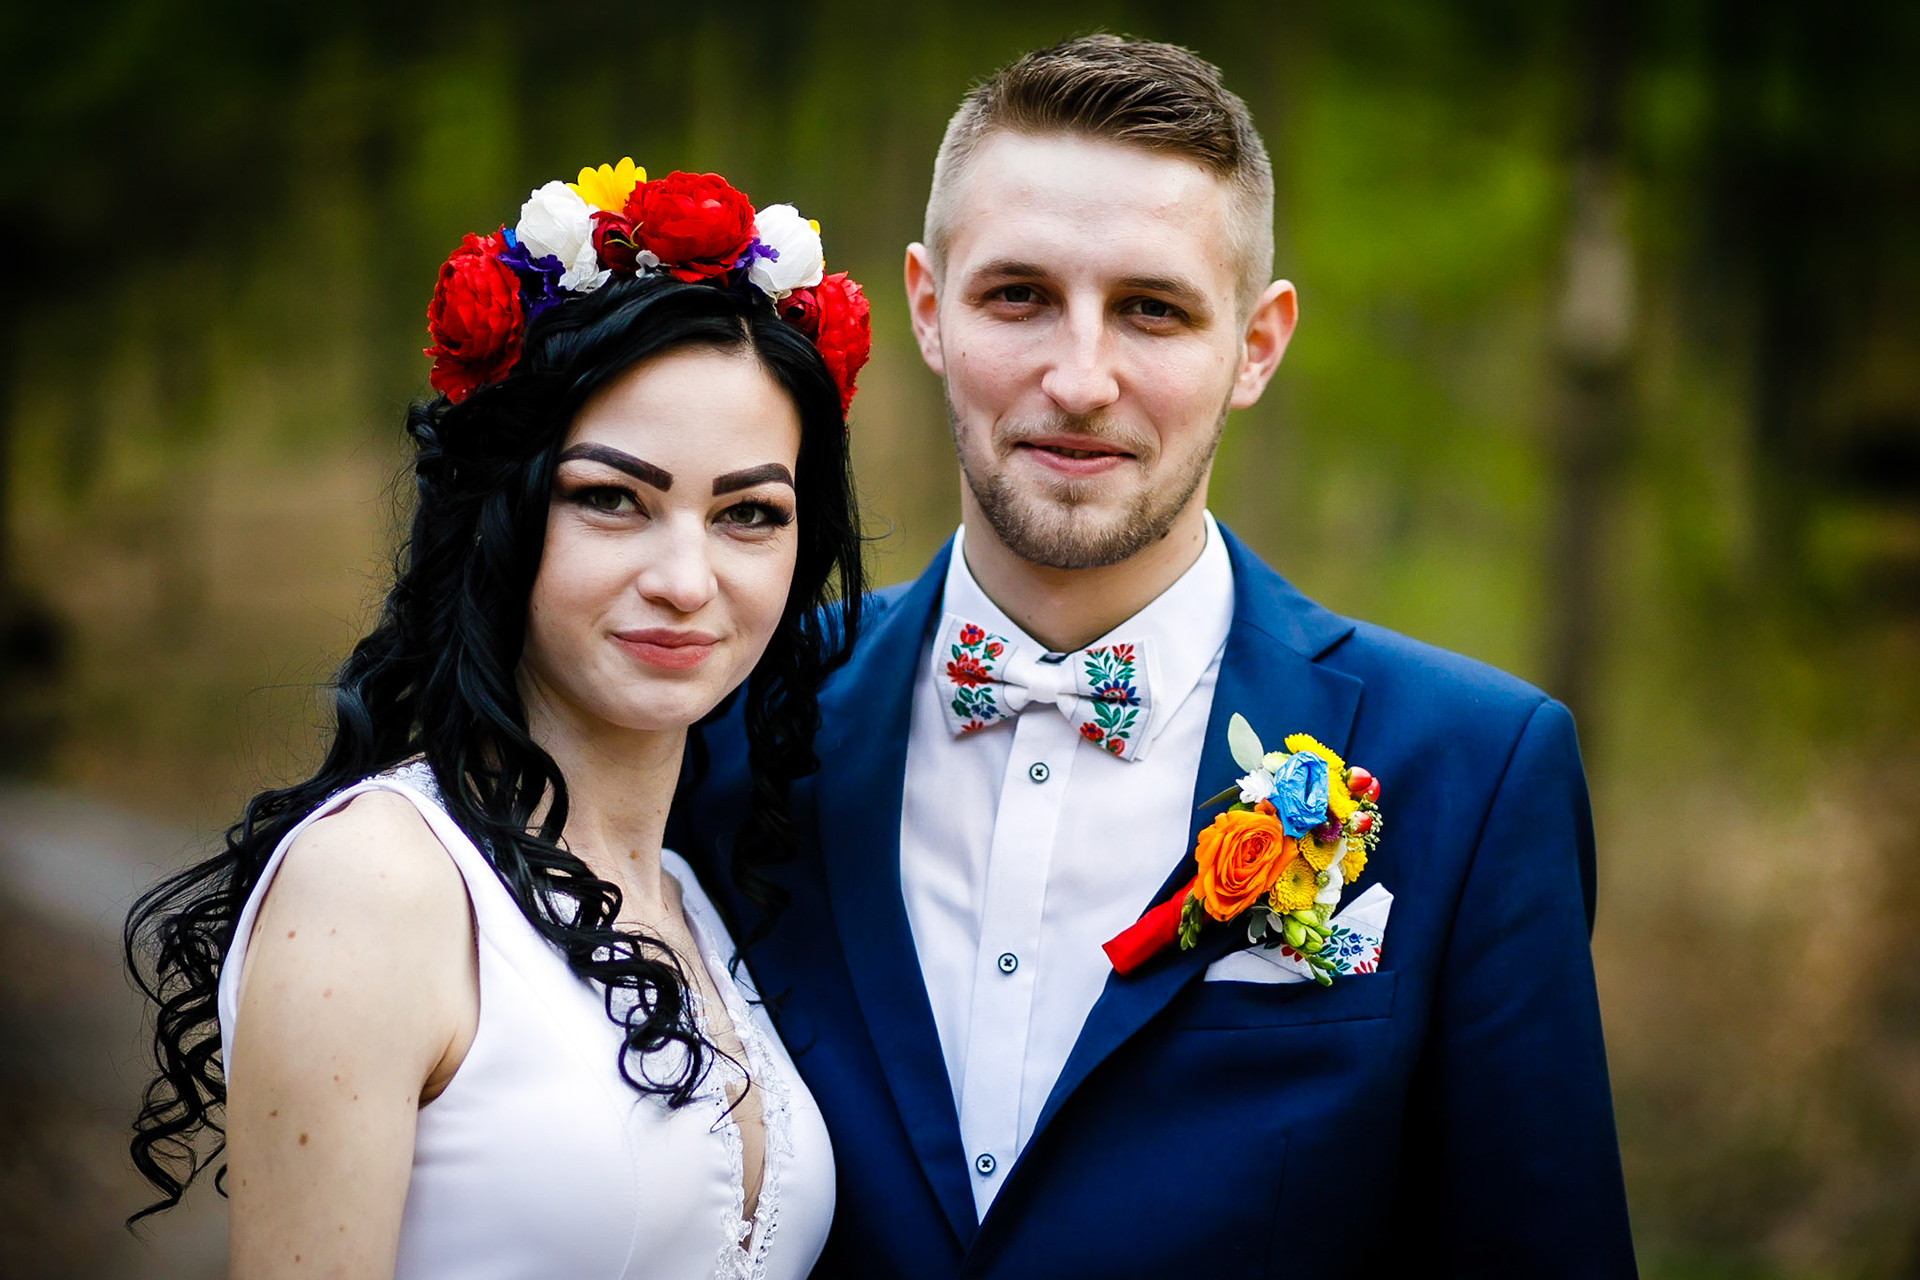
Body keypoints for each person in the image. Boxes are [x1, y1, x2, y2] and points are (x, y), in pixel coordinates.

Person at [669, 35, 1638, 1277]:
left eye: (1153, 309)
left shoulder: (1476, 770)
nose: (1081, 379)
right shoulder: (727, 707)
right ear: (927, 306)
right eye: (1018, 296)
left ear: (1257, 344)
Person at [124, 159, 871, 1279]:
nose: (686, 579)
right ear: (501, 517)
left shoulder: (693, 899)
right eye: (612, 498)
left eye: (749, 513)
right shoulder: (380, 882)